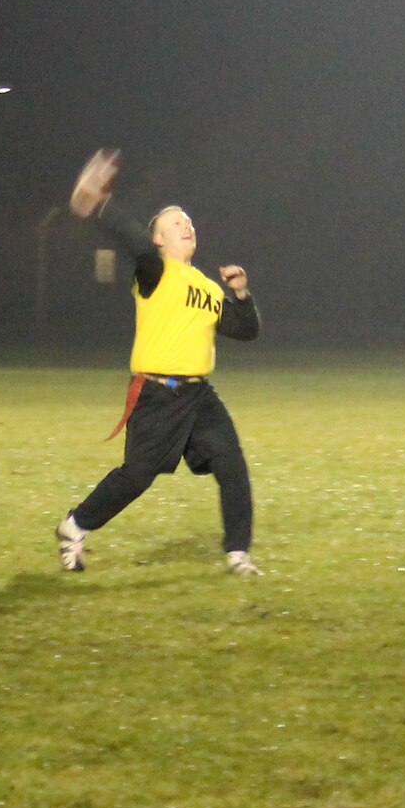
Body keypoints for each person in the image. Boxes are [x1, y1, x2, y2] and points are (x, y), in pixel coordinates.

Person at [56, 149, 262, 575]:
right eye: (175, 223)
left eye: (188, 221)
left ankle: (238, 554)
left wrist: (241, 293)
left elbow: (245, 330)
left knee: (233, 465)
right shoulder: (154, 273)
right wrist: (99, 203)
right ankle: (74, 526)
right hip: (157, 394)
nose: (186, 225)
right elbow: (133, 240)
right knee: (136, 477)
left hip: (199, 396)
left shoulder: (205, 286)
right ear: (159, 240)